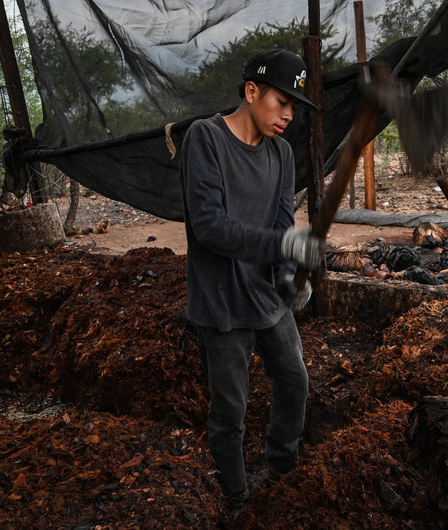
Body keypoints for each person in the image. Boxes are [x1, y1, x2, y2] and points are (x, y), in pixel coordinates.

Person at [179, 48, 324, 512]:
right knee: (230, 411)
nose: (288, 115)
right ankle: (236, 496)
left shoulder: (281, 154)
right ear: (251, 91)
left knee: (294, 381)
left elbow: (282, 224)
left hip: (265, 297)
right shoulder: (205, 139)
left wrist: (289, 277)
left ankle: (282, 468)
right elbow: (210, 228)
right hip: (221, 303)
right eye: (281, 102)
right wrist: (283, 249)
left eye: (294, 108)